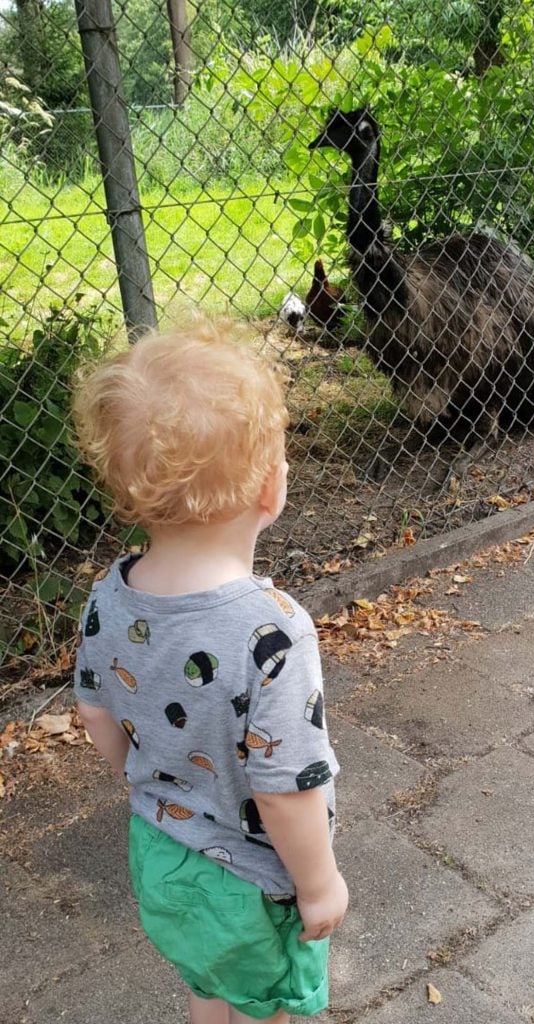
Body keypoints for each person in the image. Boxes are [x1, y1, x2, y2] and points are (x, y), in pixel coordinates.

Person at [71, 318, 348, 1024]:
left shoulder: (110, 594)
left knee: (210, 982)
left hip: (160, 856)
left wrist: (151, 775)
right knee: (273, 1004)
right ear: (270, 486)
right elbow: (286, 787)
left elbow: (97, 710)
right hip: (251, 883)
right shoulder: (273, 632)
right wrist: (318, 887)